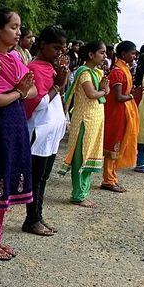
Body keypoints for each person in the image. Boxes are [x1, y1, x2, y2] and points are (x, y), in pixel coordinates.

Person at [0, 8, 36, 259]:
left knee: (9, 176)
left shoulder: (15, 58)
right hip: (0, 126)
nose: (18, 33)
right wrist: (18, 92)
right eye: (13, 27)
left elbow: (34, 89)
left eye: (19, 28)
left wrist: (17, 92)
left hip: (16, 122)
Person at [23, 26, 69, 236]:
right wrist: (57, 86)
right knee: (36, 178)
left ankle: (38, 216)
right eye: (56, 47)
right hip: (39, 132)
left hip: (50, 134)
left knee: (43, 178)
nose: (59, 52)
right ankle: (32, 219)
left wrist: (61, 81)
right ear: (42, 45)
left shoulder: (49, 67)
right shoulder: (34, 67)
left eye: (63, 48)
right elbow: (38, 103)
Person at [58, 41, 108, 208]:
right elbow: (92, 93)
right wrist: (104, 91)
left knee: (89, 154)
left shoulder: (96, 72)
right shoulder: (84, 73)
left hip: (94, 120)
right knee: (81, 156)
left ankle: (82, 193)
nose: (105, 56)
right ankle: (78, 195)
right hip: (85, 121)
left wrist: (102, 89)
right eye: (102, 53)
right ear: (91, 55)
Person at [101, 41, 140, 193]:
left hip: (123, 111)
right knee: (114, 145)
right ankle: (108, 179)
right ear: (123, 54)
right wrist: (132, 95)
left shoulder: (124, 69)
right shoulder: (118, 71)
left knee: (119, 143)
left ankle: (112, 177)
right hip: (117, 113)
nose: (134, 56)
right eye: (132, 53)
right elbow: (117, 97)